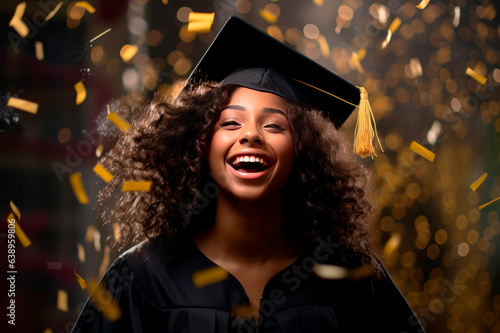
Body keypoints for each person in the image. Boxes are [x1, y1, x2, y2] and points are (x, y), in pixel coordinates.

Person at [72, 16, 425, 333]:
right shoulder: (144, 278)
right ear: (200, 143)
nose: (251, 134)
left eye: (273, 125)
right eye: (230, 122)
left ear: (303, 150)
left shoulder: (352, 278)